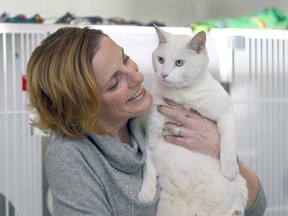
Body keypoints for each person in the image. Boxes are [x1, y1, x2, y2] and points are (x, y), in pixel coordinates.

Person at [26, 26, 266, 215]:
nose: (138, 75)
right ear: (84, 107)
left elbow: (256, 206)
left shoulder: (158, 111)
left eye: (126, 58)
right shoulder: (71, 156)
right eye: (114, 82)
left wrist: (219, 149)